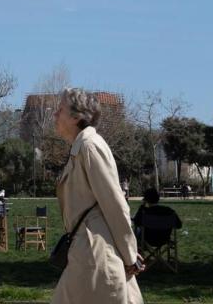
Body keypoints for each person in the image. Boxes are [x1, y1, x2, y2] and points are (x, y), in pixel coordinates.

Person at [52, 88, 143, 304]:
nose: (55, 114)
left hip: (96, 254)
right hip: (87, 252)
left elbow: (115, 204)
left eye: (60, 109)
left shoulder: (90, 146)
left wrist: (130, 254)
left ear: (76, 117)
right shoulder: (81, 147)